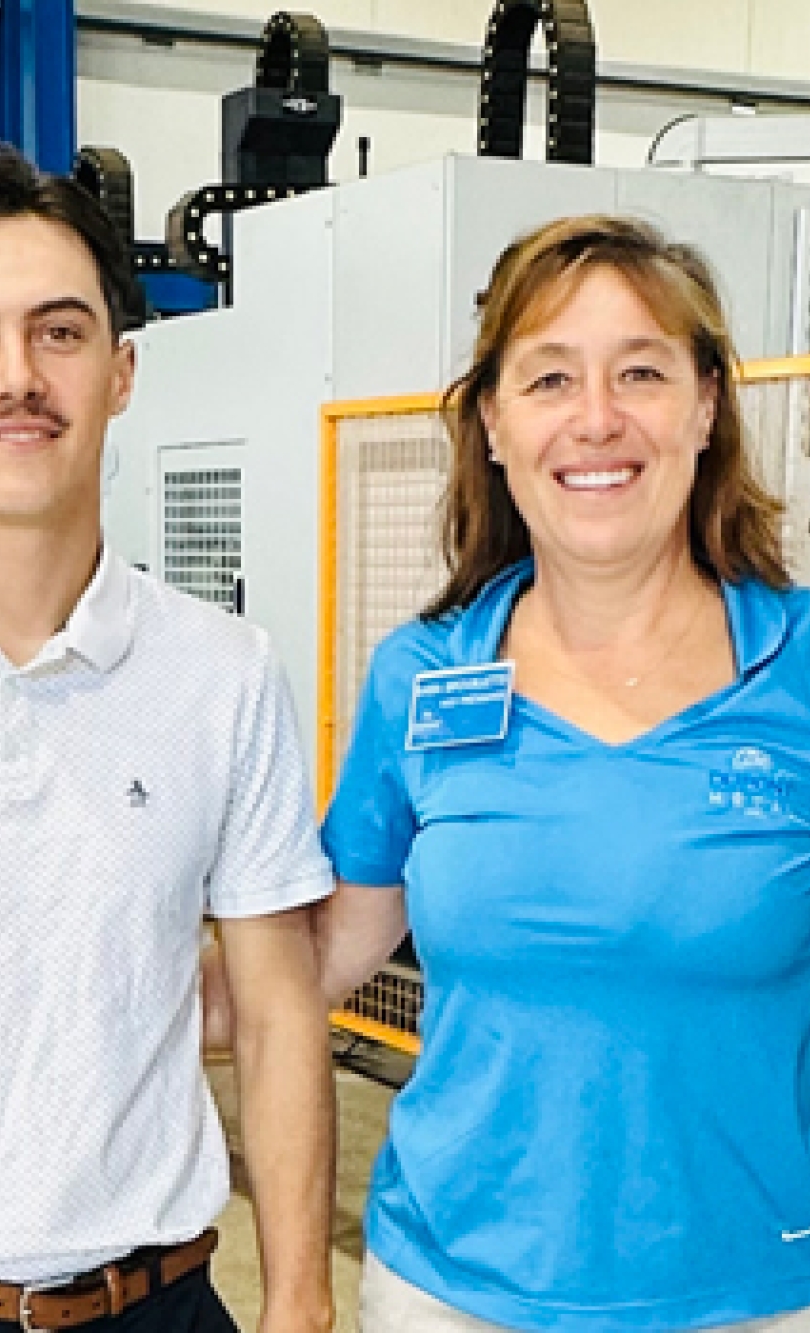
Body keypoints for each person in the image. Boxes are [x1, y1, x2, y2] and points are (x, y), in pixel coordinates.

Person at [0, 143, 336, 1333]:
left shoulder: (223, 673)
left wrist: (302, 1297)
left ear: (120, 371)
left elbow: (276, 1008)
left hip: (155, 1301)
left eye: (59, 331)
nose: (16, 375)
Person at [316, 215, 810, 1331]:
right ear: (493, 422)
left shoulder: (798, 669)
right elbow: (321, 958)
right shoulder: (421, 676)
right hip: (451, 1292)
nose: (596, 418)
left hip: (758, 1293)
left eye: (640, 370)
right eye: (549, 377)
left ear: (704, 405)